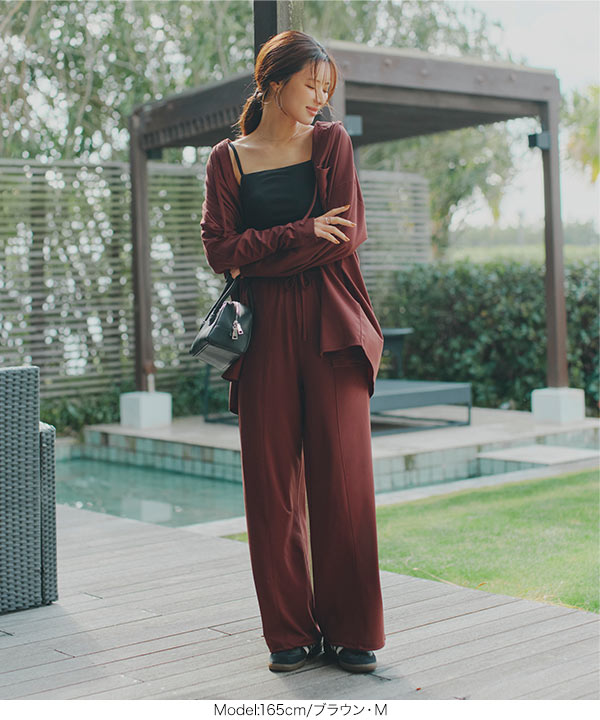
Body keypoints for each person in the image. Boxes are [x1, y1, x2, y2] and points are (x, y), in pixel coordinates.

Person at [200, 30, 385, 674]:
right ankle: (289, 635)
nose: (319, 98)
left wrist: (262, 251)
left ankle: (353, 632)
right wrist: (302, 231)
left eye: (325, 88)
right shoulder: (227, 160)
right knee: (271, 488)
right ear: (273, 82)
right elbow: (219, 251)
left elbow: (346, 237)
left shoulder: (332, 143)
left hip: (334, 327)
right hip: (264, 336)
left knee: (345, 484)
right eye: (310, 84)